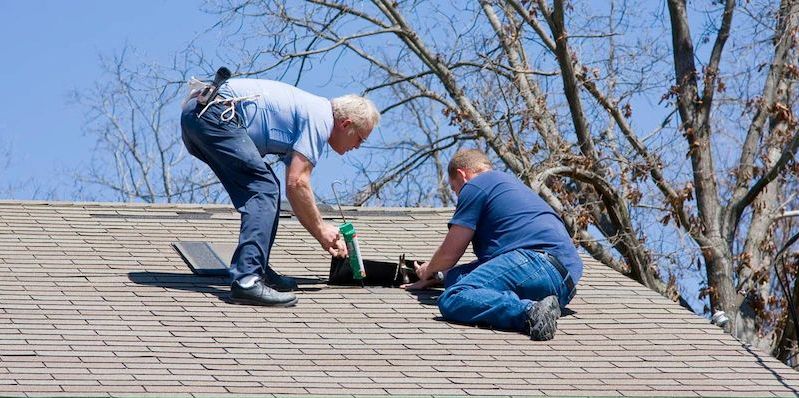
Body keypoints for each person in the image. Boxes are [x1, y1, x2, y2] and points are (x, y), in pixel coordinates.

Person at [181, 76, 380, 307]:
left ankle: (258, 270)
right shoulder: (320, 118)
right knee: (264, 189)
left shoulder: (309, 112)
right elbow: (298, 183)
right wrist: (321, 230)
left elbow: (293, 188)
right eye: (360, 139)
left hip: (198, 115)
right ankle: (247, 280)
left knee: (266, 188)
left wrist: (320, 232)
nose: (356, 146)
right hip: (215, 114)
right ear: (345, 124)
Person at [404, 149, 582, 340]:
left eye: (456, 190)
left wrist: (428, 269)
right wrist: (441, 276)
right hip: (562, 285)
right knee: (455, 279)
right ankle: (539, 307)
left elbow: (450, 254)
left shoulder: (476, 185)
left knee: (453, 297)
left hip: (535, 262)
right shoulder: (510, 186)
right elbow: (492, 266)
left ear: (462, 175)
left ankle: (530, 311)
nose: (459, 196)